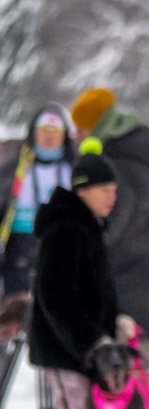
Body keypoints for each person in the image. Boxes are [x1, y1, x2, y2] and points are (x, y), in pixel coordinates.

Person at [27, 149, 139, 409]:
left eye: (114, 189)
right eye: (105, 189)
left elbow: (96, 292)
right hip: (65, 352)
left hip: (95, 355)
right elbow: (55, 297)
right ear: (83, 190)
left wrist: (115, 324)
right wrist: (92, 339)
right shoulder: (66, 229)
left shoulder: (89, 226)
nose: (112, 196)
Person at [69, 88, 149, 343]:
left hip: (130, 288)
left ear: (98, 126)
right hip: (140, 283)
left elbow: (111, 224)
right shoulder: (129, 154)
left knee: (127, 375)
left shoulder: (118, 162)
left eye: (82, 129)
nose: (76, 136)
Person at [1, 106, 76, 299]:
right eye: (43, 131)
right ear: (33, 133)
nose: (49, 137)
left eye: (55, 132)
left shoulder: (74, 168)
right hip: (20, 247)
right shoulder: (15, 165)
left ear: (65, 135)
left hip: (63, 246)